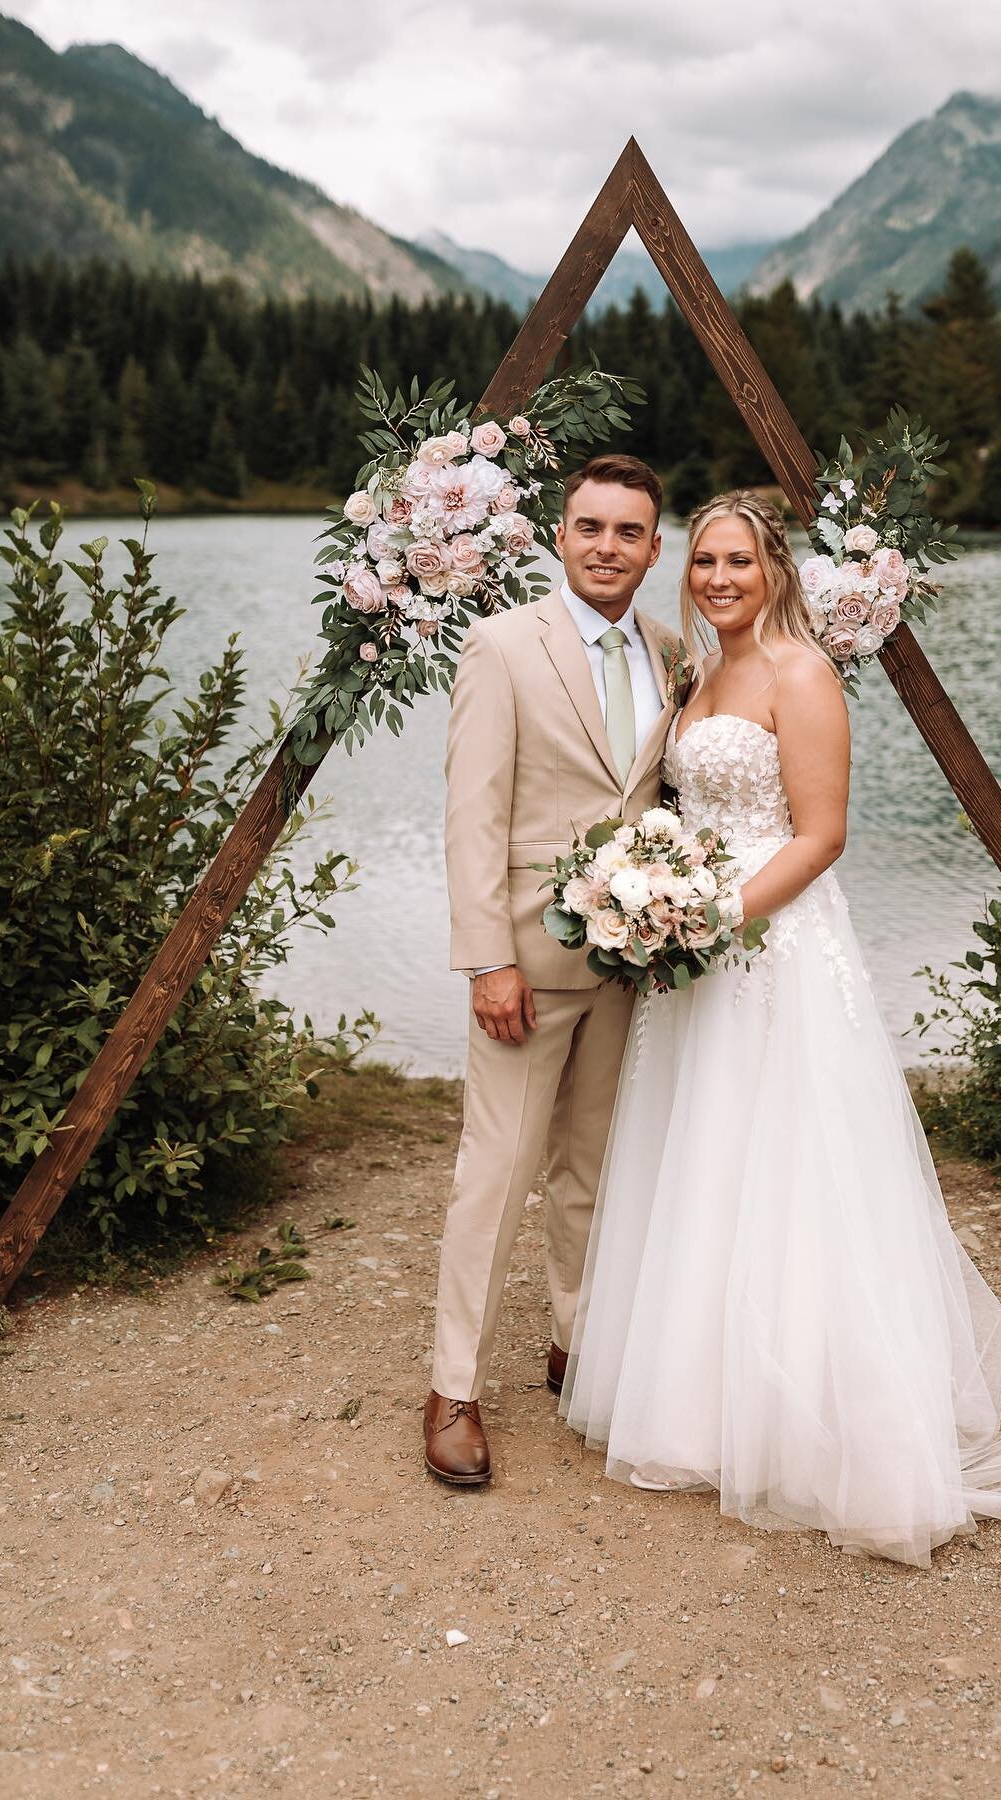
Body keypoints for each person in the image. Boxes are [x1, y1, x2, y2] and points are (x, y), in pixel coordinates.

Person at [560, 491, 1001, 1567]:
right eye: (705, 562)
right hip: (692, 953)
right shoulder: (700, 671)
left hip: (771, 945)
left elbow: (821, 836)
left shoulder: (802, 674)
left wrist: (717, 915)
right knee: (703, 1156)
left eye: (740, 562)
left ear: (775, 568)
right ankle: (695, 1405)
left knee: (794, 1162)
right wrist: (656, 900)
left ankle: (821, 1412)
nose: (719, 579)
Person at [425, 454, 681, 1486]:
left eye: (628, 532)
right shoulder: (500, 645)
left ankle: (578, 1353)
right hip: (525, 965)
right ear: (557, 535)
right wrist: (488, 959)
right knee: (496, 1173)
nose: (607, 547)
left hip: (632, 964)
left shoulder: (671, 651)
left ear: (654, 548)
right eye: (590, 527)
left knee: (594, 1170)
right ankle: (452, 1389)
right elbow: (471, 815)